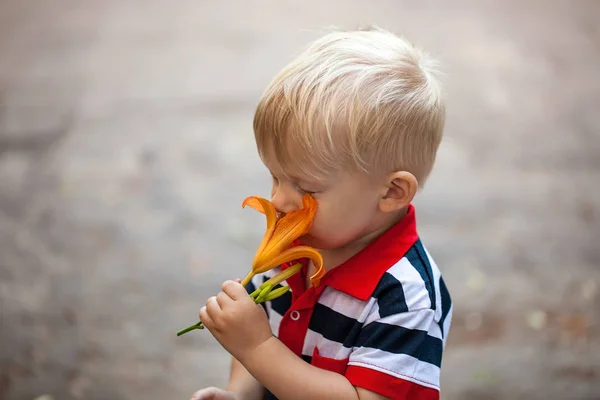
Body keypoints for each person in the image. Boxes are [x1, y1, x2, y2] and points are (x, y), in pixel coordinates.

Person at [191, 26, 453, 400]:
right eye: (275, 177)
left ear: (392, 192)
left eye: (307, 188)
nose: (280, 201)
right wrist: (239, 394)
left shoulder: (406, 300)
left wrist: (257, 348)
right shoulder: (293, 250)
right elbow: (260, 327)